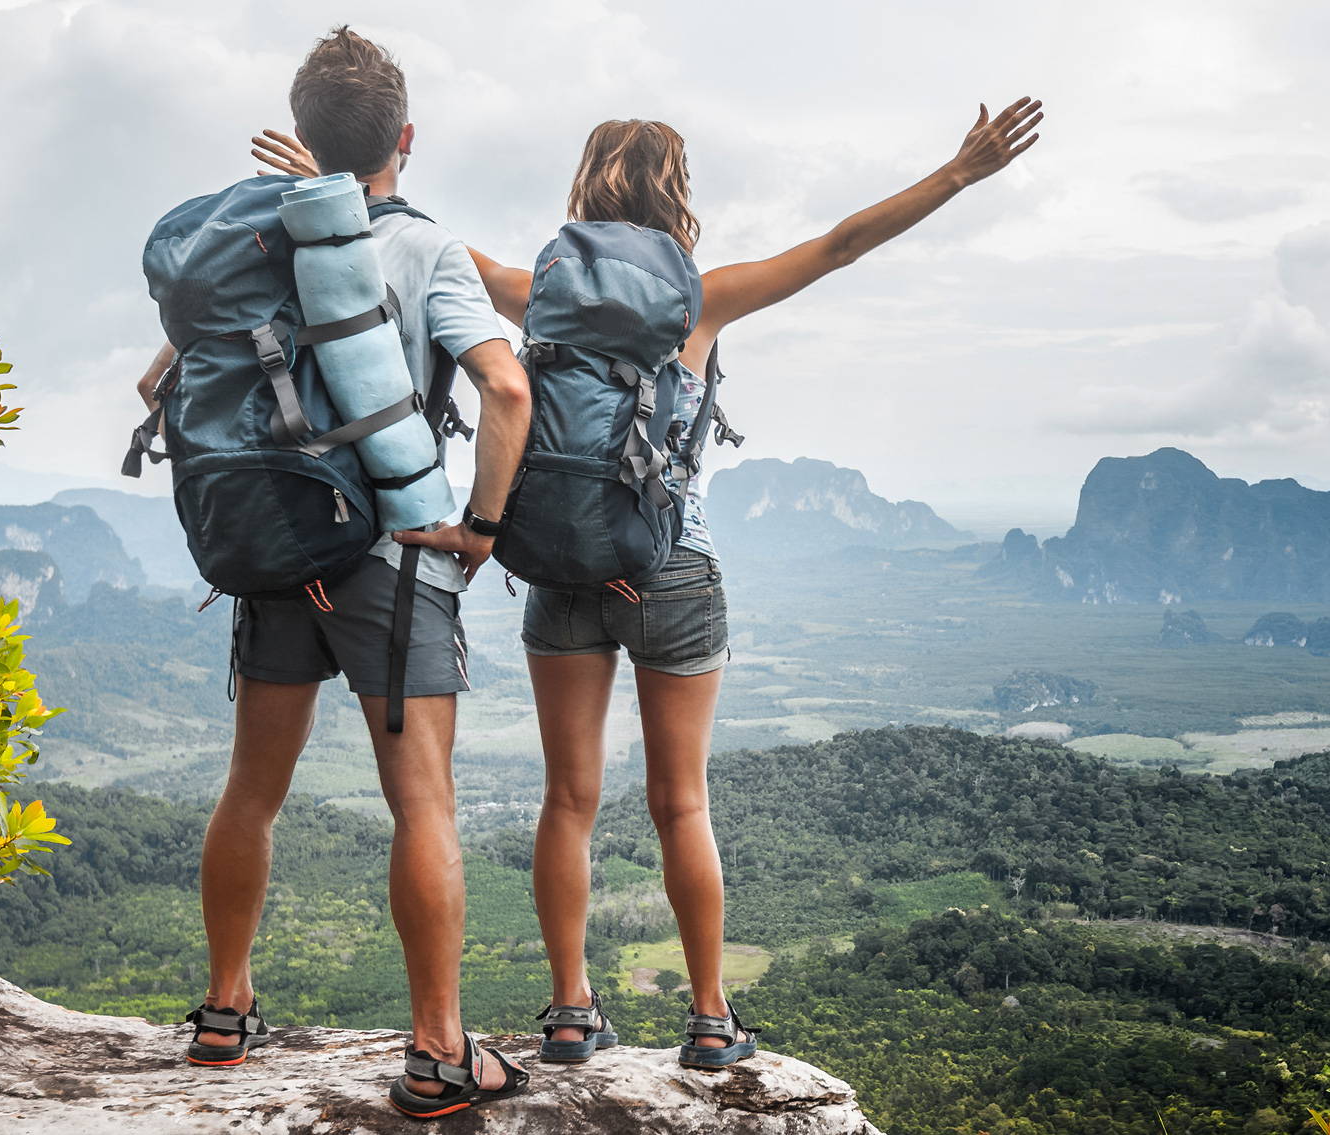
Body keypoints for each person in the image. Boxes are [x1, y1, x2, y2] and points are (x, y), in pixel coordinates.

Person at [250, 97, 1044, 1069]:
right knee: (682, 803)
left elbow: (415, 247)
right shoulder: (697, 299)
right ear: (676, 194)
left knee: (566, 803)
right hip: (672, 570)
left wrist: (327, 189)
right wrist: (957, 174)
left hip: (559, 573)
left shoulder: (530, 293)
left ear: (585, 190)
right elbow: (838, 245)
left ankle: (571, 1013)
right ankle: (712, 1020)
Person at [141, 27, 537, 1118]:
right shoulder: (424, 250)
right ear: (405, 138)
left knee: (251, 791)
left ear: (299, 138)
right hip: (390, 562)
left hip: (272, 549)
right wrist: (483, 527)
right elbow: (506, 392)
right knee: (424, 804)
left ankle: (223, 1012)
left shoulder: (255, 244)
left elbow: (153, 388)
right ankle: (439, 1054)